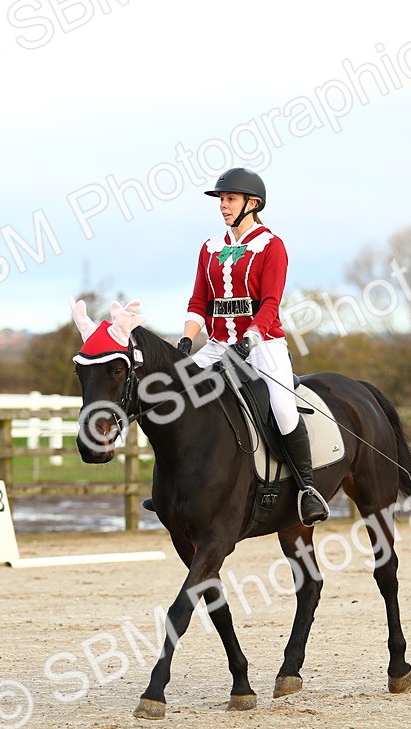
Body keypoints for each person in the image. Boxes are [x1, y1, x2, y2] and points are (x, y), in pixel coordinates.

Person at [146, 167, 330, 525]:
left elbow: (270, 304)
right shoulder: (210, 248)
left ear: (252, 203)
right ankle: (172, 484)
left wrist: (249, 341)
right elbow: (199, 301)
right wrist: (187, 338)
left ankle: (307, 489)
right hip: (217, 344)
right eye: (221, 199)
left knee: (283, 407)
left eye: (230, 199)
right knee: (173, 394)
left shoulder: (271, 246)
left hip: (263, 345)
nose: (223, 205)